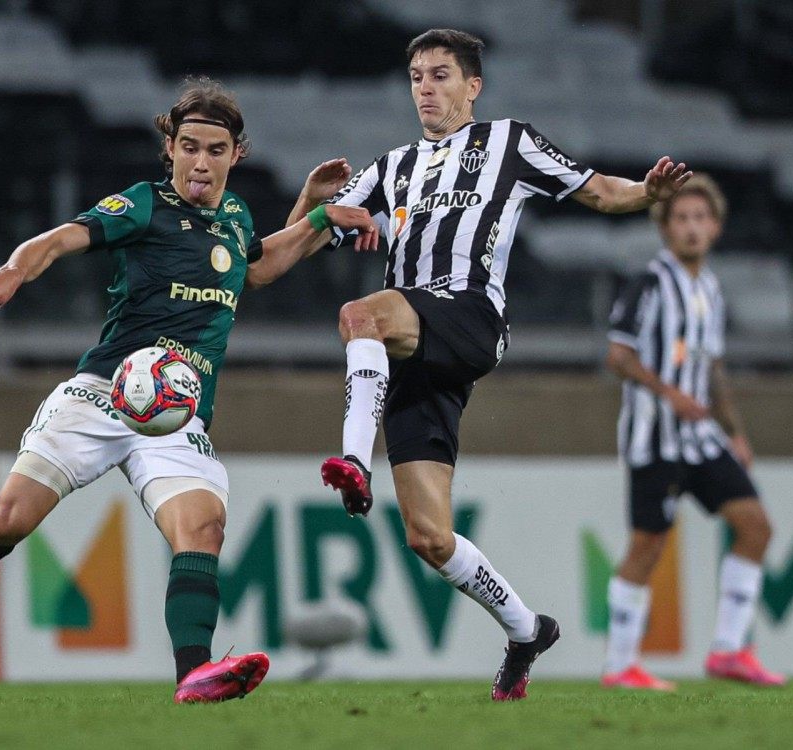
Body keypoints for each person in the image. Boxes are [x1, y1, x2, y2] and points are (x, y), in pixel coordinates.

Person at [0, 78, 378, 704]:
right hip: (105, 391)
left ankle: (192, 672)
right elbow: (58, 239)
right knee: (7, 521)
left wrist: (314, 208)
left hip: (177, 414)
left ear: (235, 154)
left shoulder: (236, 216)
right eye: (188, 146)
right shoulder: (144, 205)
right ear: (169, 145)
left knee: (204, 529)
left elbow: (258, 266)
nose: (200, 161)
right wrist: (10, 271)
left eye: (215, 150)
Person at [285, 29, 692, 700]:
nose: (425, 87)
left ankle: (352, 461)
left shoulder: (509, 142)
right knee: (429, 537)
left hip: (469, 317)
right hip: (411, 352)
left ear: (472, 86)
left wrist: (647, 192)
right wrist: (313, 204)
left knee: (358, 314)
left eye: (440, 75)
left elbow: (596, 191)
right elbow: (280, 256)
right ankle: (528, 629)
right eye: (416, 75)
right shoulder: (389, 168)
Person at [601, 173, 785, 690]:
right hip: (652, 435)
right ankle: (620, 667)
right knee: (648, 545)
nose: (691, 228)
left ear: (716, 227)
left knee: (755, 525)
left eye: (700, 218)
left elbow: (713, 369)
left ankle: (728, 650)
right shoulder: (649, 284)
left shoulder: (709, 289)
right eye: (681, 218)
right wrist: (669, 394)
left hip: (701, 439)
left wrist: (736, 433)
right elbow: (618, 356)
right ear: (664, 228)